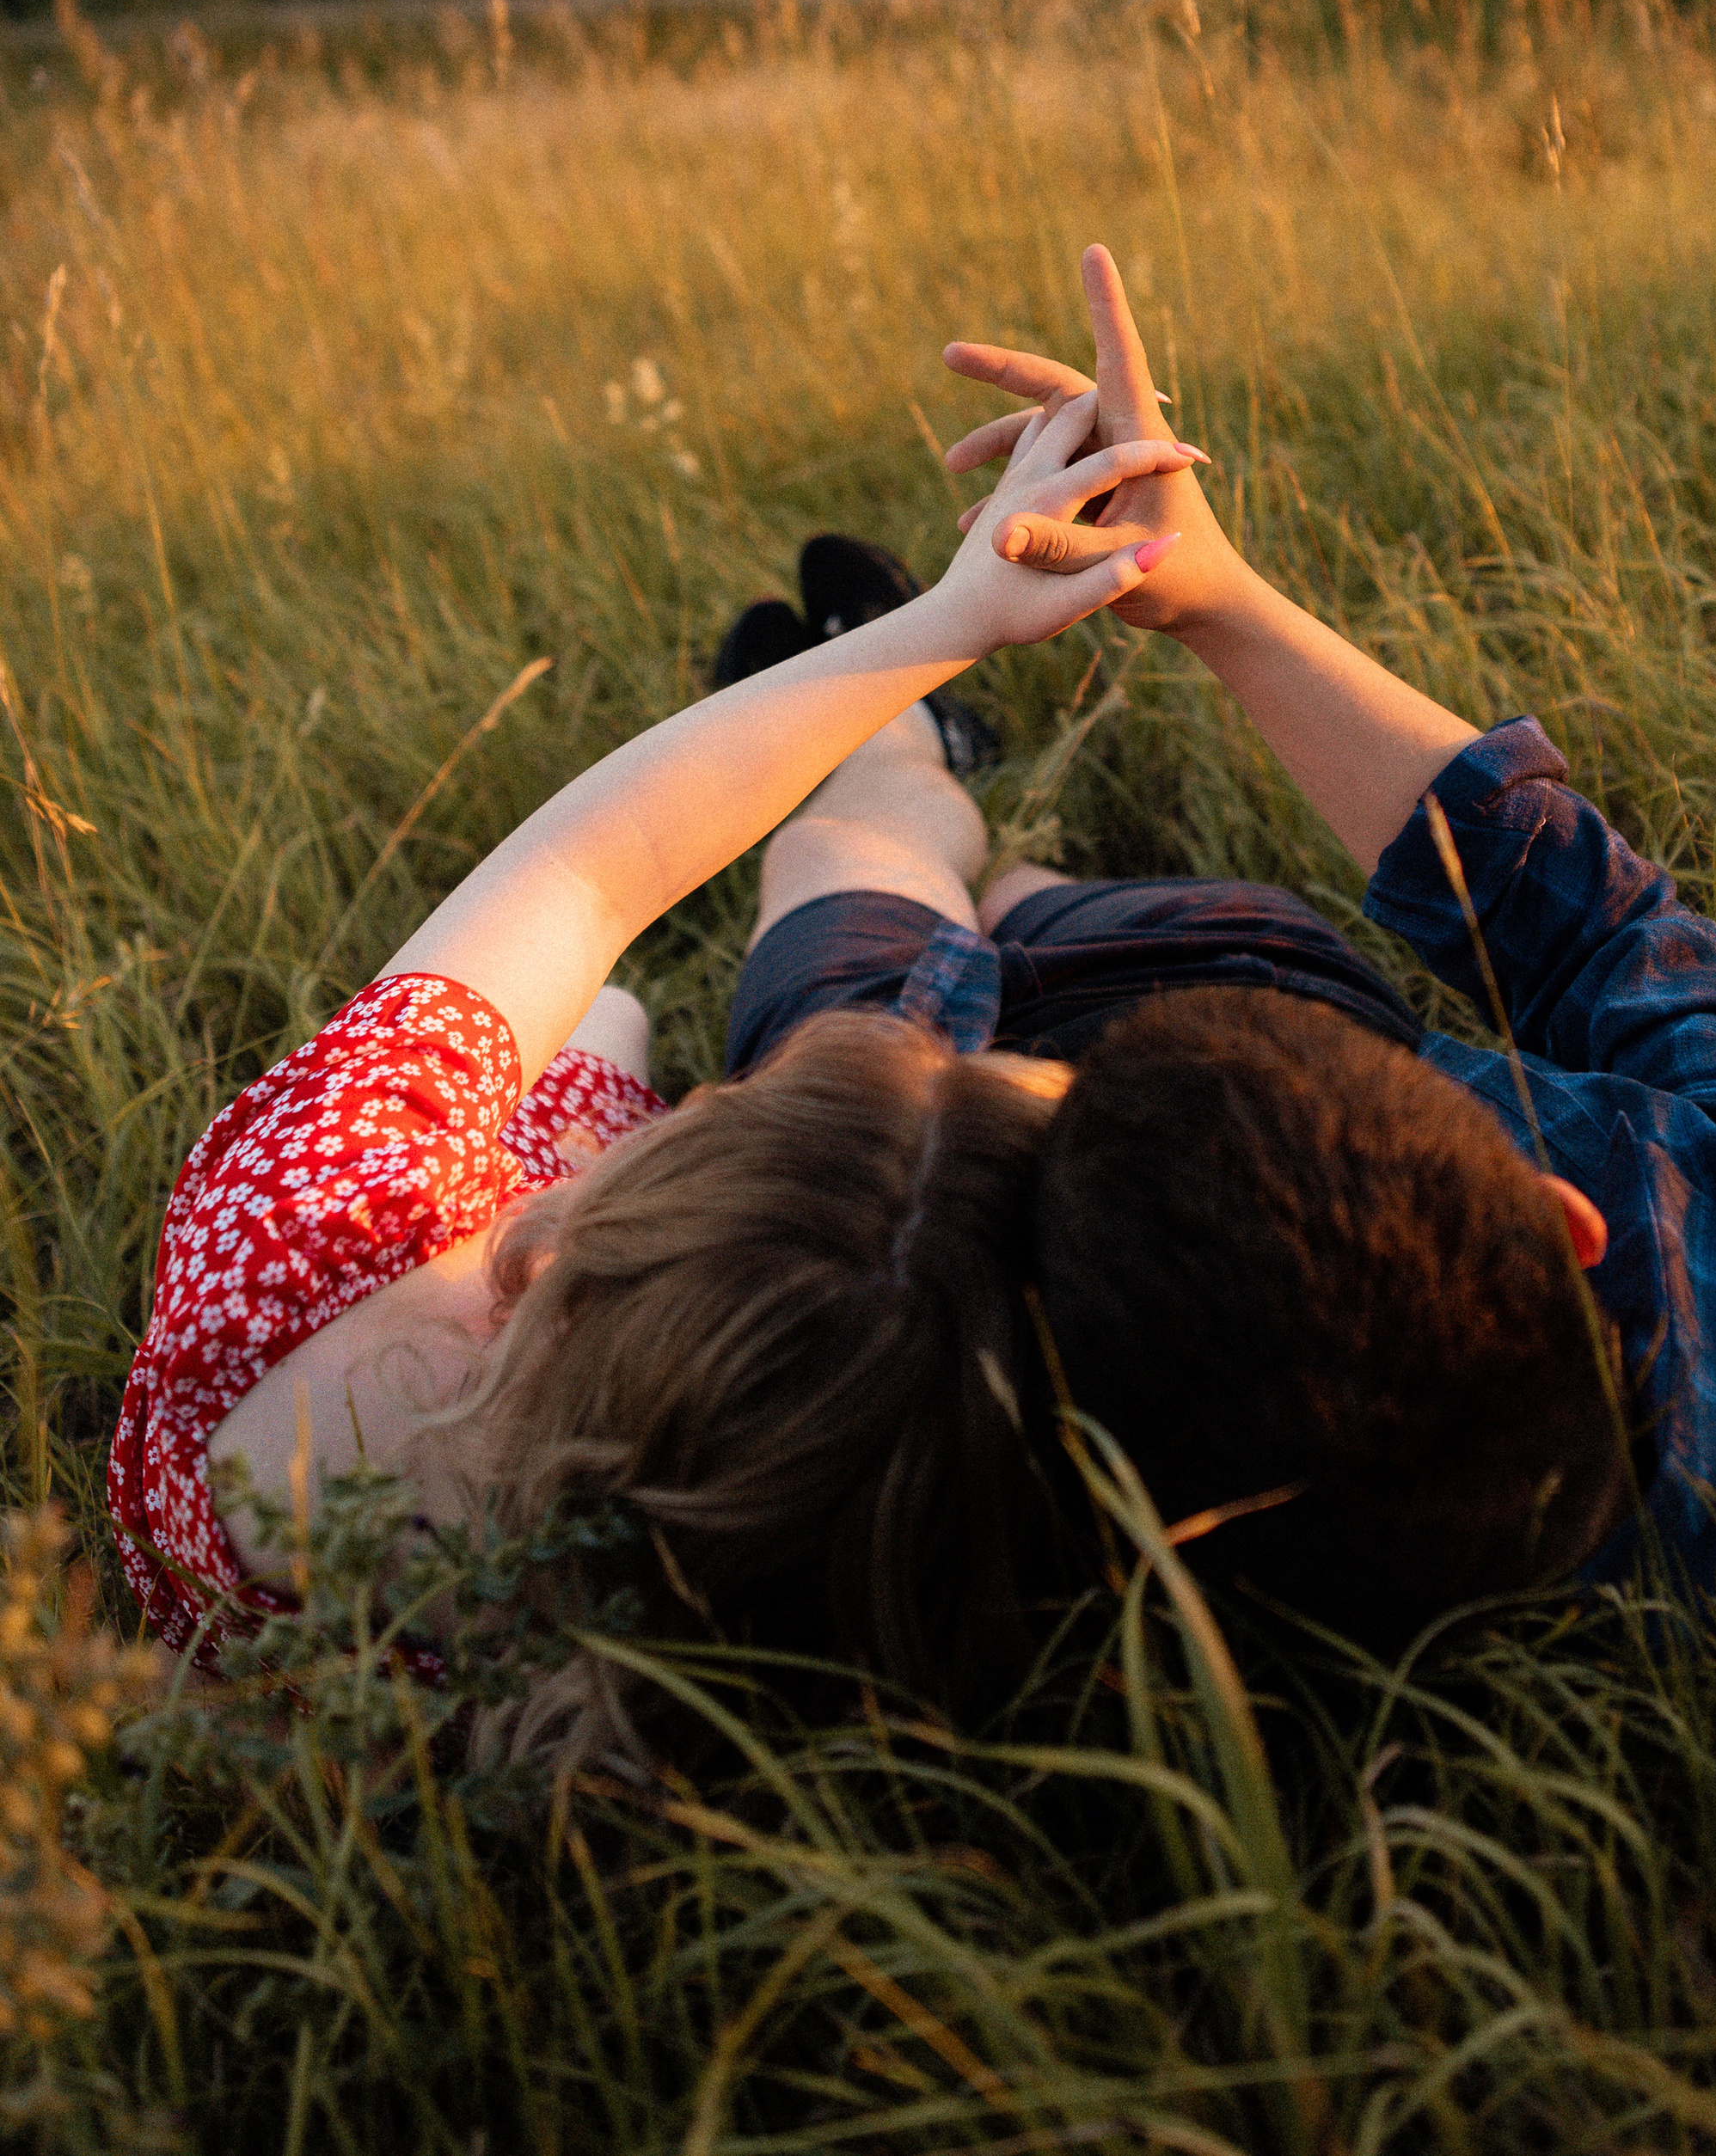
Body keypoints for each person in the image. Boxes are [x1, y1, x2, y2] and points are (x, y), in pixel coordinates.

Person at [723, 244, 1716, 1656]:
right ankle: (970, 828)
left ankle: (891, 734)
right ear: (1558, 1215)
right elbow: (1594, 924)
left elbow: (888, 1198)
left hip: (961, 1125)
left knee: (862, 854)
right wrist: (1212, 591)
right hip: (1217, 1056)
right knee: (1020, 889)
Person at [106, 382, 1203, 1734]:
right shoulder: (713, 1659)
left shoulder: (314, 1204)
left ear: (565, 1243)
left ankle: (890, 714)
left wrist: (954, 619)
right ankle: (901, 749)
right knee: (644, 999)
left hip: (397, 1238)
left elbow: (588, 868)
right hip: (543, 1243)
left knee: (612, 1005)